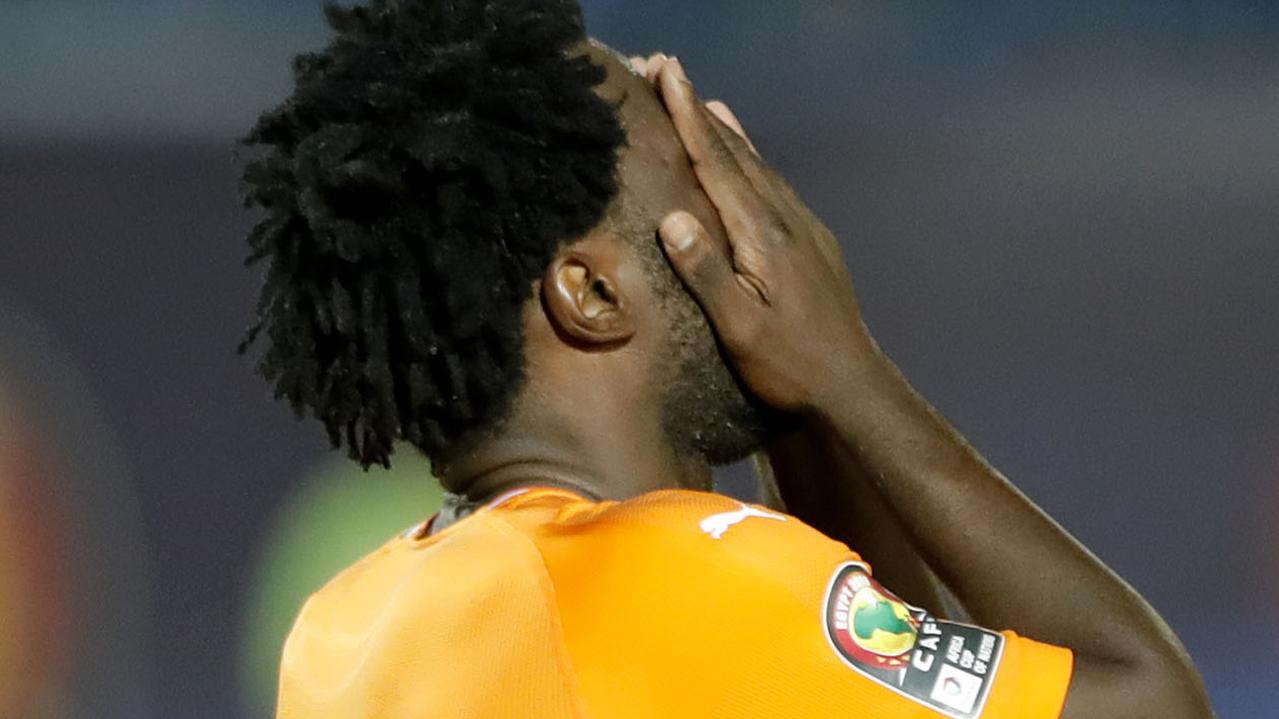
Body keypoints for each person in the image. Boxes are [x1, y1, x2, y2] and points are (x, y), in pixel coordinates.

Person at [239, 1, 1213, 717]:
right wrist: (844, 369)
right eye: (688, 154)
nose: (741, 196)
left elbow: (876, 680)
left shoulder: (340, 628)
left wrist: (797, 408)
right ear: (591, 291)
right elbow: (1155, 705)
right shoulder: (663, 580)